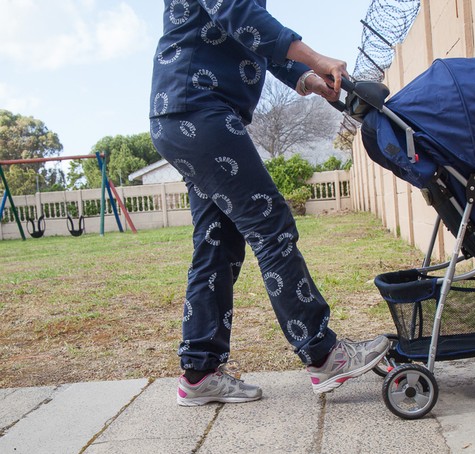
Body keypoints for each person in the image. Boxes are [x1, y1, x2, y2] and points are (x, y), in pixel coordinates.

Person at [149, 1, 389, 406]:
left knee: (218, 242)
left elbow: (251, 40)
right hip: (200, 108)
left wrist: (309, 78)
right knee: (270, 225)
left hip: (183, 112)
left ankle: (200, 372)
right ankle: (324, 355)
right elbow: (239, 15)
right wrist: (315, 55)